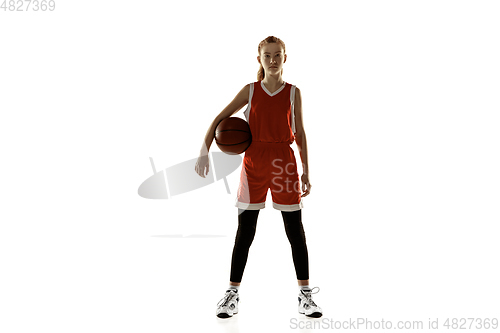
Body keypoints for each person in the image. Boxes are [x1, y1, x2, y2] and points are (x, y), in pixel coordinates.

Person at [195, 36, 322, 319]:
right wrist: (204, 149)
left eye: (278, 55)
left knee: (295, 231)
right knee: (245, 232)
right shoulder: (250, 90)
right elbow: (219, 119)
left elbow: (300, 134)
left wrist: (306, 171)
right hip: (254, 162)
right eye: (268, 55)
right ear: (259, 59)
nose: (273, 60)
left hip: (284, 164)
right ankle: (231, 294)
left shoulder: (293, 92)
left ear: (285, 58)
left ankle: (305, 296)